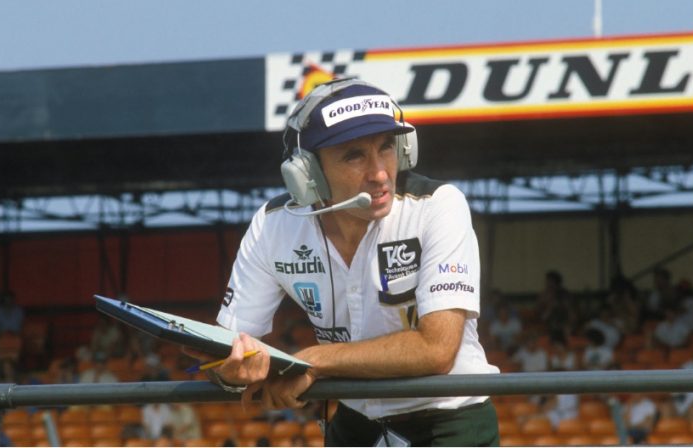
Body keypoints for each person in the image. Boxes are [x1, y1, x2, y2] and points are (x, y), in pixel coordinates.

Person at [191, 79, 500, 446]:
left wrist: (314, 361)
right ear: (307, 172)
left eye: (387, 148)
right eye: (354, 156)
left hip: (451, 423)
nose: (381, 173)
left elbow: (437, 350)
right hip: (354, 424)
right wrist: (233, 372)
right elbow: (229, 344)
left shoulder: (439, 205)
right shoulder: (273, 226)